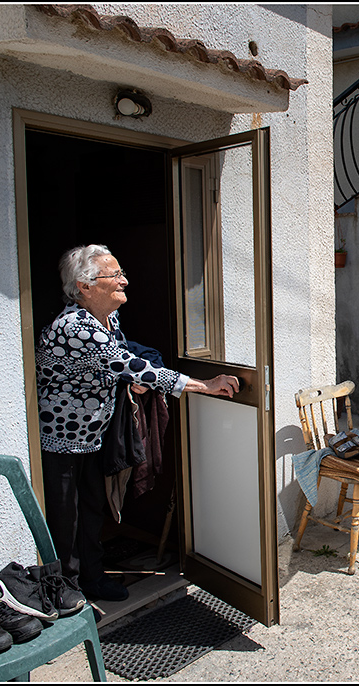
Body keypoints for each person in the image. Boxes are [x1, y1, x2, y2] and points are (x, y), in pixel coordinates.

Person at [36, 244, 240, 601]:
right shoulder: (74, 326)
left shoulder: (108, 318)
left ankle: (92, 578)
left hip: (91, 435)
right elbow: (127, 364)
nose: (124, 281)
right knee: (66, 517)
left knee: (92, 508)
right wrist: (204, 385)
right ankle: (66, 591)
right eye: (114, 275)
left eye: (121, 273)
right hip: (61, 440)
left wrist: (134, 378)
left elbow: (122, 360)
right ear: (84, 286)